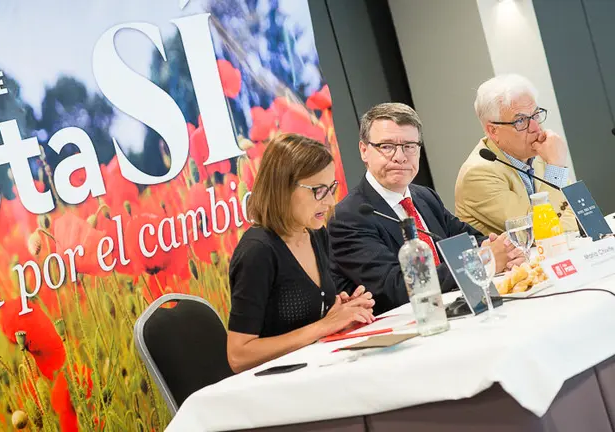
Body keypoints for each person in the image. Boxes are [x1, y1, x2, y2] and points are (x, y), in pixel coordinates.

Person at [328, 103, 524, 315]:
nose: (400, 156)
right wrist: (482, 259)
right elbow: (396, 286)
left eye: (409, 146)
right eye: (386, 147)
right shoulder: (349, 216)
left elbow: (470, 239)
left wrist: (502, 250)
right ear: (364, 150)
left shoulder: (424, 196)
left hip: (459, 311)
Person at [227, 133, 375, 374]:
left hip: (315, 370)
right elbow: (238, 356)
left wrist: (341, 312)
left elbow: (307, 320)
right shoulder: (258, 252)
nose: (329, 201)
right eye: (318, 190)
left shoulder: (315, 234)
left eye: (331, 188)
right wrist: (324, 326)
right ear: (282, 188)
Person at [455, 74, 577, 236]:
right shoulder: (478, 174)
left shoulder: (541, 153)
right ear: (493, 131)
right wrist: (556, 167)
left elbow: (577, 215)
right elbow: (538, 230)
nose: (535, 127)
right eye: (520, 121)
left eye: (535, 115)